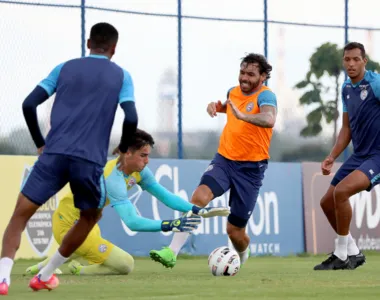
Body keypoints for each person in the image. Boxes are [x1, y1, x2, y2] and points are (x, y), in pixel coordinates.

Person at [0, 22, 139, 295]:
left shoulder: (64, 68)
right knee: (90, 216)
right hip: (88, 161)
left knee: (20, 215)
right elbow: (131, 117)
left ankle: (3, 278)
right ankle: (45, 275)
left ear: (88, 44)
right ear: (114, 48)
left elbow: (28, 104)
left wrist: (41, 143)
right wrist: (123, 149)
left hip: (53, 155)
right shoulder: (122, 76)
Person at [24, 129, 228, 276]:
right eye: (143, 155)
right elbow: (131, 221)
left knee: (84, 249)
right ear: (127, 153)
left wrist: (198, 210)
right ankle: (79, 270)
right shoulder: (113, 178)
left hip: (88, 226)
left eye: (148, 155)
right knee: (125, 264)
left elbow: (165, 196)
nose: (147, 161)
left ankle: (43, 267)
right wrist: (169, 224)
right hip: (68, 226)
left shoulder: (138, 171)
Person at [150, 53, 277, 268]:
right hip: (224, 161)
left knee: (235, 231)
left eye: (251, 74)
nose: (244, 78)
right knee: (199, 196)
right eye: (242, 73)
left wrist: (244, 117)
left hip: (251, 169)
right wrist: (216, 107)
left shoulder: (266, 96)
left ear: (263, 76)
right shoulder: (233, 92)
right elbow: (231, 106)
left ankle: (242, 256)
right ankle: (171, 252)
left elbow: (269, 118)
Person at [314, 42, 380, 270]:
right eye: (347, 59)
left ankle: (341, 255)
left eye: (355, 59)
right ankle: (352, 250)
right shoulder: (346, 88)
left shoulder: (376, 83)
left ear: (364, 61)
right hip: (359, 155)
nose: (351, 64)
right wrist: (332, 156)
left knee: (341, 193)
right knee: (326, 203)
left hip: (377, 156)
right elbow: (346, 129)